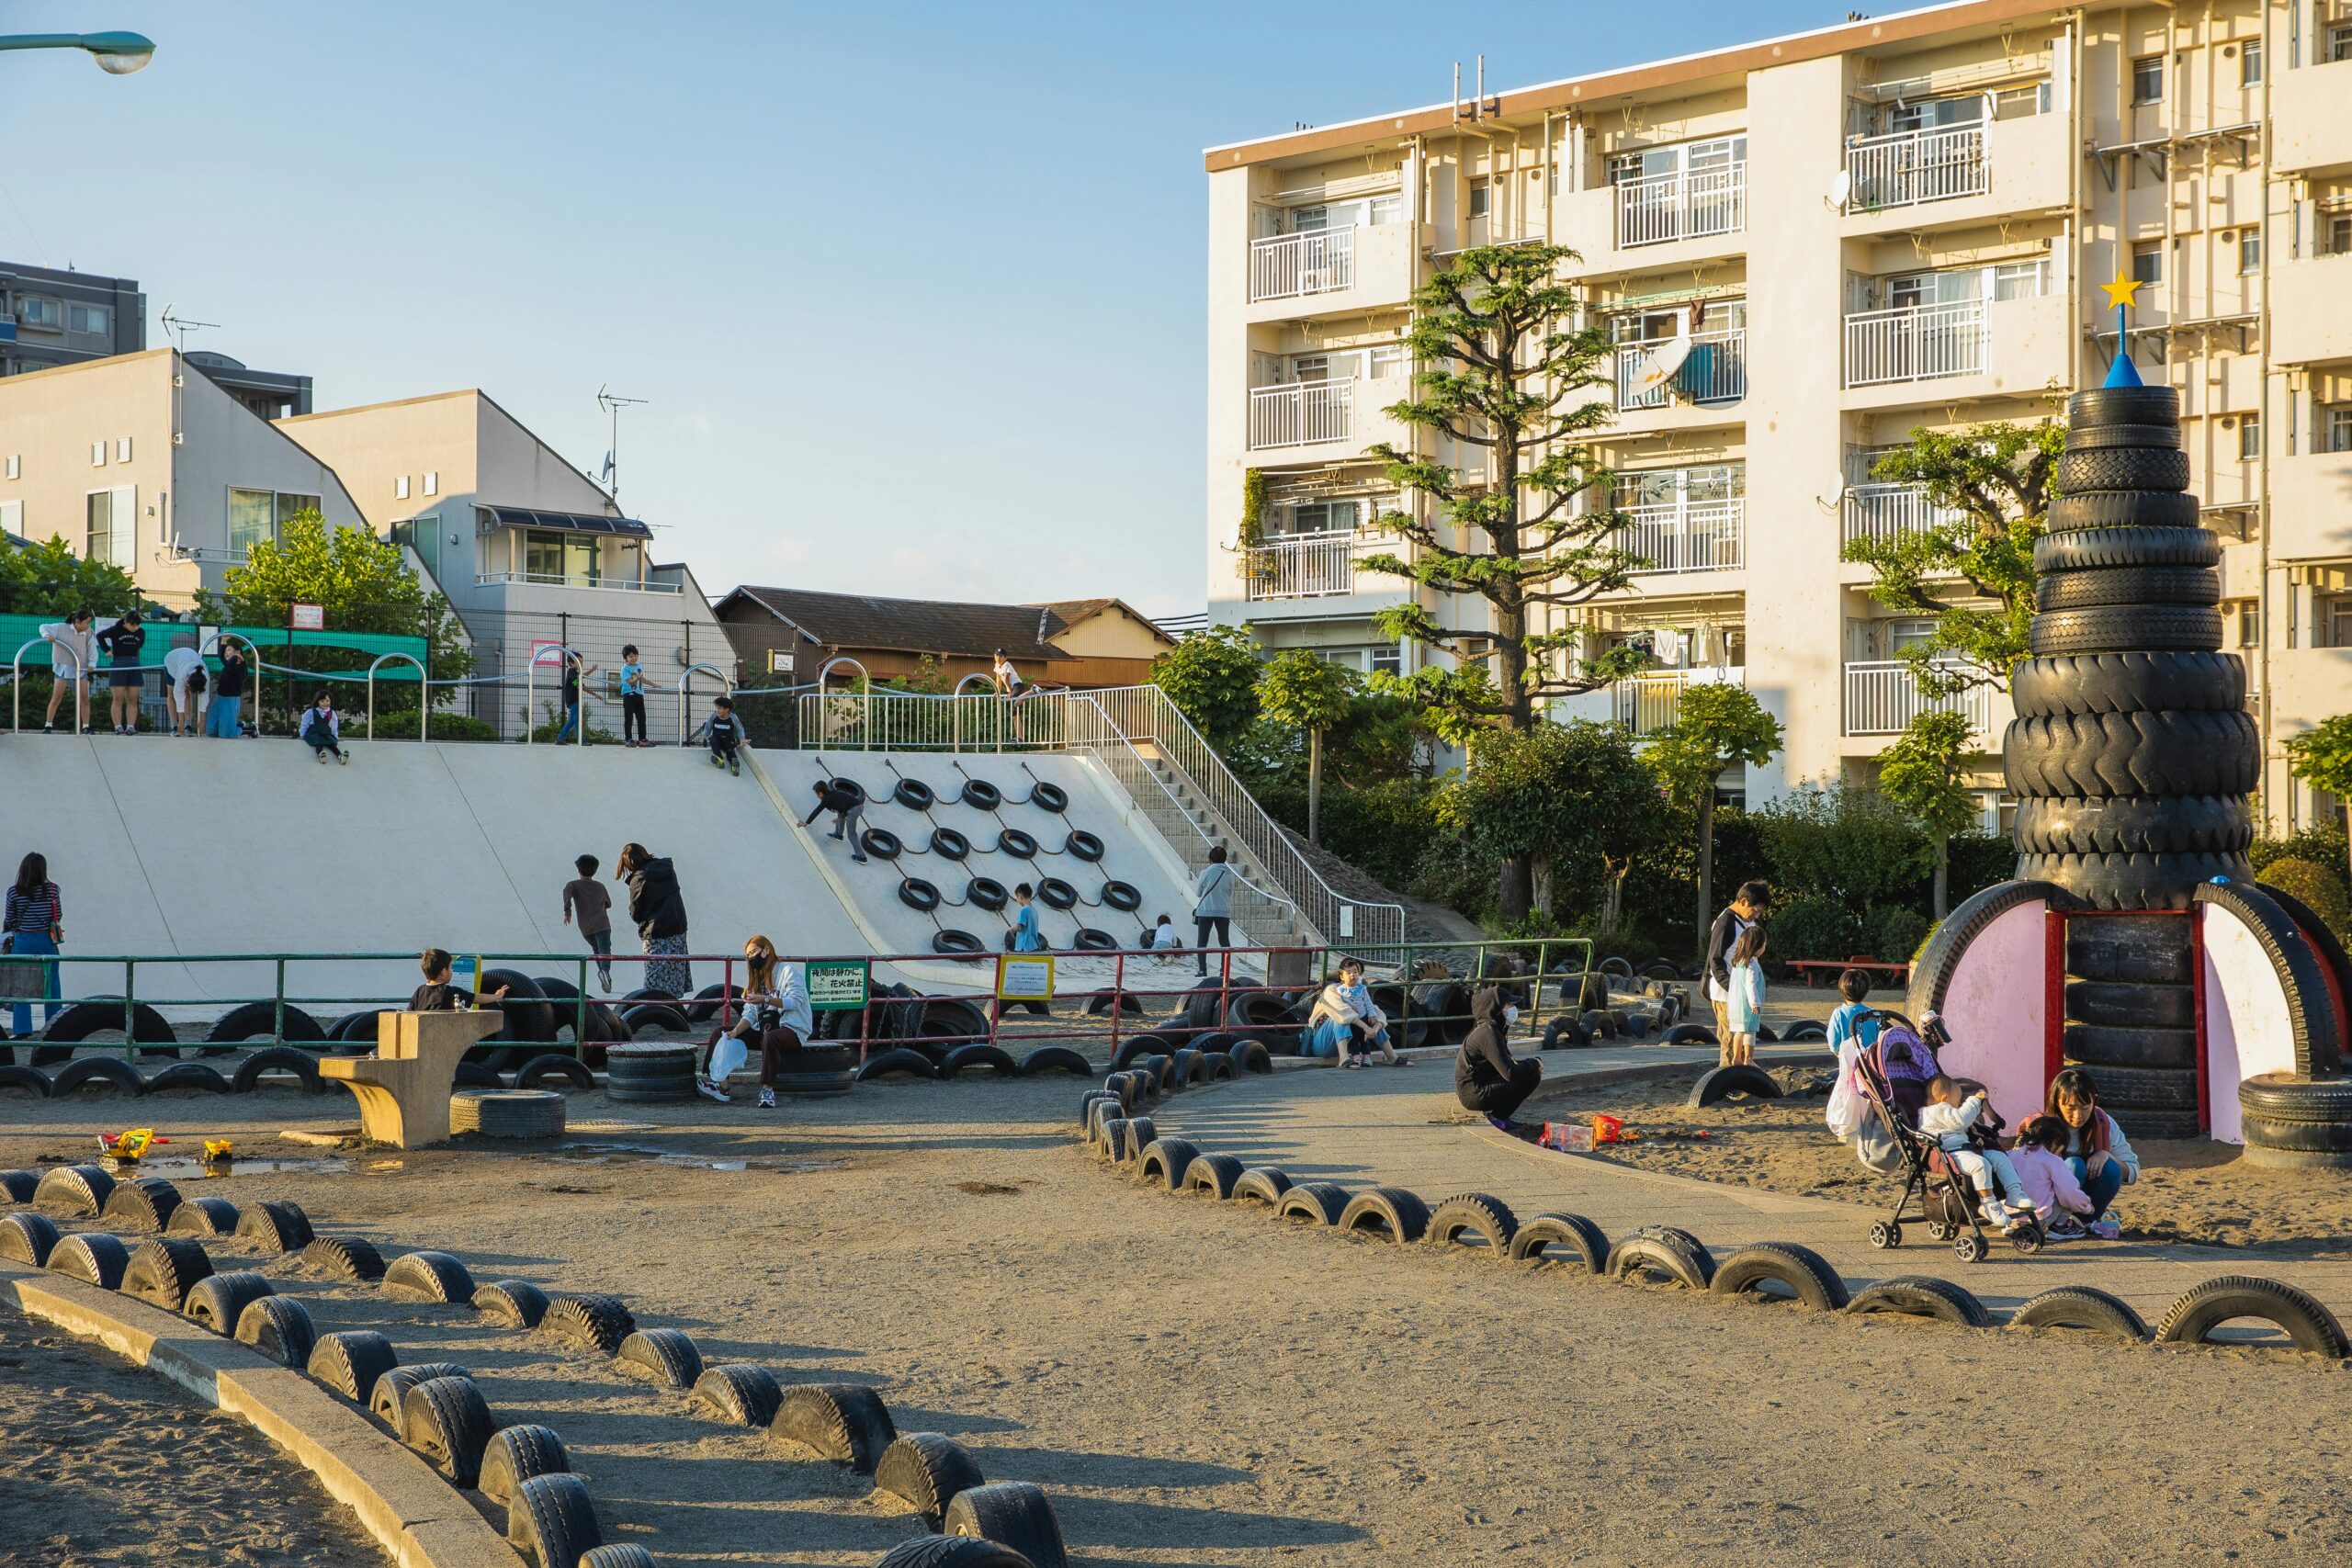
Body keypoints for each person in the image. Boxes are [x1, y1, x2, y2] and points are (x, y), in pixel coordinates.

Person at [699, 935, 813, 1109]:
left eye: (753, 952)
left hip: (792, 1030)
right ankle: (721, 1086)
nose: (750, 958)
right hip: (764, 1030)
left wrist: (766, 1000)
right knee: (720, 1033)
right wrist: (736, 1032)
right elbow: (750, 1014)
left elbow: (795, 1002)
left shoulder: (787, 971)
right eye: (747, 955)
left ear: (766, 950)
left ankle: (767, 1089)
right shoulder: (756, 979)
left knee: (771, 1038)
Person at [1919, 1073, 2035, 1230]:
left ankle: (2015, 1192)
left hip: (1966, 1149)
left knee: (1999, 1157)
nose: (1959, 1104)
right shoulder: (1935, 1110)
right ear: (1944, 1099)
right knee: (1980, 1164)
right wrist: (1974, 1101)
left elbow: (1958, 1123)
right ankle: (1988, 1204)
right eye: (1958, 1100)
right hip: (1950, 1154)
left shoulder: (1944, 1112)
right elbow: (1960, 1120)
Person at [2046, 1066, 2139, 1240]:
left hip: (2087, 1202)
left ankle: (2086, 1222)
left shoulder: (2104, 1123)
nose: (2077, 1115)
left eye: (2084, 1107)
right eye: (2070, 1107)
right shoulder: (2043, 1127)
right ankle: (2058, 1223)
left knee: (2112, 1169)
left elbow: (2133, 1171)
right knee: (2074, 1165)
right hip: (2049, 1204)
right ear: (2057, 1102)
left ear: (2094, 1101)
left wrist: (2106, 1155)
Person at [1454, 986, 1540, 1132]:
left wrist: (1531, 1062)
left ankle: (1501, 1117)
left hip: (1476, 1088)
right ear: (1497, 1008)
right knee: (1531, 1076)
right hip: (1474, 1094)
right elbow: (1509, 1073)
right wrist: (1533, 1064)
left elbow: (1506, 1064)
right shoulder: (1488, 1033)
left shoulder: (1491, 1029)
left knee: (1529, 1071)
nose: (1513, 1009)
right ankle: (1499, 1118)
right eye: (1509, 1005)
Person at [616, 842, 691, 996]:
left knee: (654, 975)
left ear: (629, 863)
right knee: (674, 972)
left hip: (655, 932)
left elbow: (636, 912)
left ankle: (653, 1007)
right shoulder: (667, 869)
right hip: (678, 927)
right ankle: (674, 1006)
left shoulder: (639, 879)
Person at [3, 853, 63, 1038]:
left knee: (20, 987)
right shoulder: (52, 890)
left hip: (23, 941)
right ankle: (53, 1028)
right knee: (52, 985)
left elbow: (10, 919)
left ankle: (22, 1030)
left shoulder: (14, 892)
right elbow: (57, 915)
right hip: (46, 940)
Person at [2010, 1114, 2097, 1239]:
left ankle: (2013, 1227)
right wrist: (2087, 1207)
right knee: (2064, 1197)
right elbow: (2070, 1193)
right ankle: (2059, 1227)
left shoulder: (2011, 1154)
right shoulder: (2052, 1160)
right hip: (2038, 1218)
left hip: (2009, 1217)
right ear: (2057, 1143)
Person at [1308, 956, 1403, 1068]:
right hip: (1323, 1043)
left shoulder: (1359, 991)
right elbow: (1342, 1011)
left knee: (1371, 1015)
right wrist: (1365, 1027)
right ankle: (1343, 1059)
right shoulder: (1332, 989)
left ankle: (1392, 1057)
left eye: (1356, 972)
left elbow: (1374, 1009)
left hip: (1347, 1041)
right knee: (1340, 1018)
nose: (1353, 975)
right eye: (1349, 972)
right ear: (1342, 975)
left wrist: (1376, 1026)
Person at [1704, 879, 1767, 1046]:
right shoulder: (1725, 924)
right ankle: (1728, 1071)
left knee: (1742, 1040)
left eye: (1760, 912)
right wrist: (1734, 990)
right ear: (1744, 901)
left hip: (1741, 993)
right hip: (1727, 994)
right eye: (1755, 910)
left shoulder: (1747, 920)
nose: (1757, 915)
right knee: (1730, 1042)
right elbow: (1715, 961)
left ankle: (1740, 1069)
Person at [1823, 969, 1881, 1139]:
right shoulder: (1872, 1013)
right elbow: (1879, 1039)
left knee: (1847, 1096)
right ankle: (1868, 1127)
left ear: (1841, 989)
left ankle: (1848, 1129)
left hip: (1848, 1064)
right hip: (1869, 1062)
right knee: (1869, 1095)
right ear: (1866, 990)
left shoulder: (1839, 1013)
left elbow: (1833, 1041)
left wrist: (1838, 1054)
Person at [562, 854, 614, 990]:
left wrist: (568, 911)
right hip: (602, 924)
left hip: (585, 928)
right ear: (595, 870)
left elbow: (566, 892)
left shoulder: (573, 885)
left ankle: (604, 976)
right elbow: (608, 904)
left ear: (578, 870)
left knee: (596, 950)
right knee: (605, 950)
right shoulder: (600, 886)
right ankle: (605, 972)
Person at [39, 610, 94, 733]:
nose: (88, 626)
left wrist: (92, 663)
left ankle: (86, 726)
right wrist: (47, 636)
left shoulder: (88, 633)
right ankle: (48, 725)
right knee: (57, 697)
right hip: (63, 665)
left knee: (84, 697)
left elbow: (92, 648)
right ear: (77, 622)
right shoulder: (60, 628)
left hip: (80, 666)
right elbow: (43, 626)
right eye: (87, 622)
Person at [1722, 924, 1768, 1068]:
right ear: (1757, 946)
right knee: (1750, 1031)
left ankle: (1736, 1057)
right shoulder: (1752, 964)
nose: (1764, 948)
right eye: (1764, 945)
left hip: (1735, 1004)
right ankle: (1748, 1058)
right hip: (1747, 1005)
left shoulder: (1738, 962)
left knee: (1739, 1031)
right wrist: (1755, 1003)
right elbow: (1751, 985)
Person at [407, 948, 509, 1011]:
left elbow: (409, 1013)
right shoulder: (450, 992)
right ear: (443, 971)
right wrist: (497, 996)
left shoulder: (419, 991)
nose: (452, 971)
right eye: (451, 967)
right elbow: (476, 998)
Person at [96, 610, 146, 735]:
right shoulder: (115, 630)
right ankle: (118, 726)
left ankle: (130, 726)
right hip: (118, 662)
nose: (135, 628)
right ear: (126, 622)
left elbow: (140, 645)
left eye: (137, 625)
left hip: (134, 663)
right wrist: (107, 650)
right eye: (132, 625)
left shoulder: (141, 632)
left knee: (133, 698)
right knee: (118, 698)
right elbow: (100, 636)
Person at [1193, 846, 1235, 977]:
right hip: (1223, 911)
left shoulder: (1205, 873)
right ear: (1224, 859)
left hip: (1206, 911)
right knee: (1224, 941)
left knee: (1202, 941)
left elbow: (1198, 893)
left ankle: (1202, 970)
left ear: (1210, 859)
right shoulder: (1229, 875)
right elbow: (1229, 892)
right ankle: (1224, 971)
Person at [801, 780, 868, 863]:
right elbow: (842, 807)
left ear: (821, 793)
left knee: (851, 834)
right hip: (856, 807)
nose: (816, 795)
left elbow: (817, 811)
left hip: (853, 810)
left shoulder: (826, 800)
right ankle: (838, 834)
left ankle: (861, 857)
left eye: (816, 793)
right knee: (841, 815)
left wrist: (806, 822)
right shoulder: (834, 793)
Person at [163, 635, 205, 738]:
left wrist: (202, 720)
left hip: (186, 662)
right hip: (172, 663)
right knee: (171, 694)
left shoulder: (204, 673)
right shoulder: (182, 675)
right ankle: (174, 726)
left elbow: (205, 697)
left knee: (187, 694)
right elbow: (178, 696)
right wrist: (180, 721)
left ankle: (188, 725)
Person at [205, 642, 249, 739]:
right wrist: (224, 641)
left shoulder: (242, 667)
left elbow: (232, 669)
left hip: (231, 700)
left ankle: (248, 730)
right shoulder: (229, 664)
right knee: (211, 730)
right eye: (226, 651)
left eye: (229, 650)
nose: (226, 653)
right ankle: (237, 724)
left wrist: (236, 657)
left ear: (237, 652)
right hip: (220, 699)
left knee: (226, 734)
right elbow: (222, 656)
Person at [553, 651, 596, 745]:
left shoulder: (575, 676)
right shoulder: (571, 672)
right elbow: (580, 677)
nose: (581, 664)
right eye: (579, 662)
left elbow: (582, 686)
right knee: (577, 720)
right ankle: (581, 740)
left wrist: (595, 695)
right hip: (573, 701)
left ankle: (560, 738)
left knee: (572, 720)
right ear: (571, 663)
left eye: (582, 662)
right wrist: (591, 670)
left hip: (575, 700)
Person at [300, 692, 348, 764]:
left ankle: (340, 756)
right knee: (319, 743)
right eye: (322, 701)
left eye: (327, 701)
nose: (325, 703)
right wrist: (302, 734)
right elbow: (304, 724)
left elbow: (334, 726)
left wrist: (335, 737)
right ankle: (321, 755)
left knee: (332, 744)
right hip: (314, 733)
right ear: (317, 702)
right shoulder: (311, 712)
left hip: (325, 733)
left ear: (330, 701)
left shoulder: (332, 713)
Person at [704, 695, 745, 775]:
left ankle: (734, 765)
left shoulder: (733, 717)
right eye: (717, 708)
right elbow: (708, 726)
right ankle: (720, 760)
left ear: (727, 709)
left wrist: (742, 738)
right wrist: (705, 735)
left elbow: (740, 728)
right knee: (713, 740)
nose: (718, 710)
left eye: (720, 709)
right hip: (717, 739)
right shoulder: (714, 716)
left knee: (730, 751)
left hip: (728, 740)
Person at [618, 645, 649, 748]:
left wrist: (654, 684)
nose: (634, 658)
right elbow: (631, 682)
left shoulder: (638, 666)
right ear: (626, 658)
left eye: (635, 655)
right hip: (629, 695)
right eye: (631, 656)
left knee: (642, 718)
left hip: (639, 694)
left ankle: (642, 739)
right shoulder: (625, 669)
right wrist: (638, 678)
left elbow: (642, 679)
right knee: (629, 718)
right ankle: (629, 739)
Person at [1009, 884, 1046, 952]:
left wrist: (1011, 930)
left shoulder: (1024, 910)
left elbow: (1017, 927)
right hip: (1034, 945)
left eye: (1017, 898)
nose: (1017, 901)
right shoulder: (1034, 910)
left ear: (1019, 896)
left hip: (1024, 947)